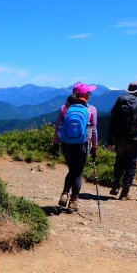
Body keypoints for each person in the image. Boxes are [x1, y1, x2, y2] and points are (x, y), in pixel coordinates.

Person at [51, 82, 98, 211]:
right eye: (89, 92)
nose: (90, 94)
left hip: (66, 144)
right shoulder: (91, 109)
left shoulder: (64, 108)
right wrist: (95, 147)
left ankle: (65, 194)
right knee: (77, 172)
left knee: (72, 170)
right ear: (86, 95)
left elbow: (58, 127)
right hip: (83, 145)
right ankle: (73, 200)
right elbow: (94, 131)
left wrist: (55, 143)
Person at [107, 81, 137, 201]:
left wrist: (110, 140)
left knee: (120, 160)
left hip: (120, 138)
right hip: (135, 139)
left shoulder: (120, 100)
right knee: (132, 164)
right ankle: (125, 192)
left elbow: (112, 120)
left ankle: (116, 184)